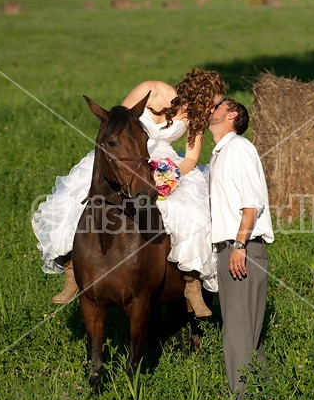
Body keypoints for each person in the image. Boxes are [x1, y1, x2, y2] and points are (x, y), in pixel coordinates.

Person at [32, 68, 226, 317]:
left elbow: (190, 159)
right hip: (125, 156)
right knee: (78, 199)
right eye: (213, 103)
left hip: (163, 164)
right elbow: (116, 125)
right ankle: (72, 272)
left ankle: (191, 283)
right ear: (201, 94)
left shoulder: (195, 118)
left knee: (189, 213)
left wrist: (169, 175)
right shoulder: (152, 89)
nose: (212, 111)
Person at [208, 97, 274, 400]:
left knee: (237, 332)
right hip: (229, 250)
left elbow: (252, 203)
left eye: (218, 105)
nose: (212, 108)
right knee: (246, 334)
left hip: (242, 250)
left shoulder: (239, 148)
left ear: (232, 115)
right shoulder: (220, 153)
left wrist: (239, 245)